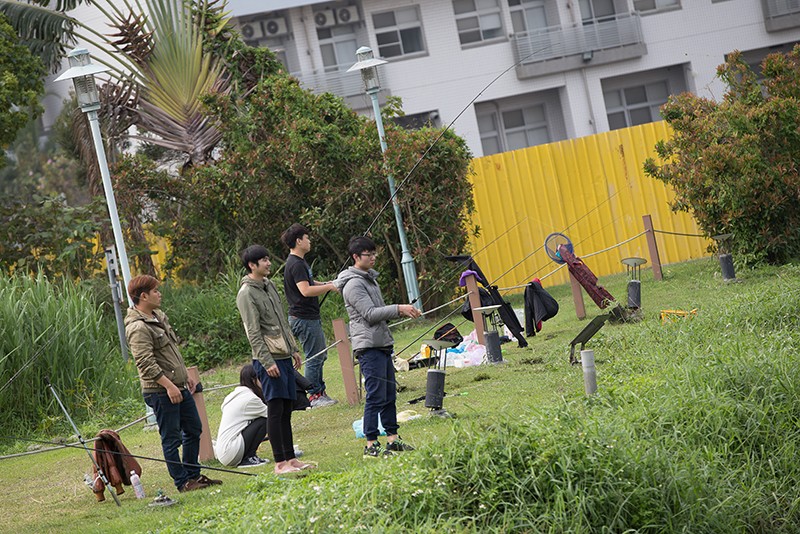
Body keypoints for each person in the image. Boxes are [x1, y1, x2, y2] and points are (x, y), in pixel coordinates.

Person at [124, 275, 222, 492]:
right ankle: (182, 482)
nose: (160, 294)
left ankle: (193, 475)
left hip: (178, 385)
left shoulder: (158, 316)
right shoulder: (138, 327)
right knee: (171, 438)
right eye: (156, 291)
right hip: (160, 390)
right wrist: (168, 385)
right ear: (143, 296)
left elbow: (171, 351)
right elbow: (145, 362)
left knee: (194, 428)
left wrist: (184, 374)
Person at [334, 236, 422, 458]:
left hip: (381, 343)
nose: (373, 258)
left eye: (374, 254)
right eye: (368, 255)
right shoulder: (353, 284)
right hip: (368, 346)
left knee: (389, 393)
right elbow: (370, 314)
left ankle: (393, 439)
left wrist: (400, 310)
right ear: (356, 257)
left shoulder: (370, 280)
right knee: (374, 395)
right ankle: (370, 444)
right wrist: (399, 308)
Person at [236, 245, 315, 474]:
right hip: (267, 358)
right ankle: (280, 463)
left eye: (268, 259)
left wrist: (293, 348)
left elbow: (281, 320)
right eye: (264, 260)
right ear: (252, 265)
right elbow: (253, 331)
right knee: (275, 408)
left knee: (288, 406)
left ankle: (291, 458)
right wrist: (267, 361)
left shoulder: (269, 286)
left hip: (284, 354)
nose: (269, 263)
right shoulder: (246, 293)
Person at [281, 223, 339, 408]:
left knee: (320, 355)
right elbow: (305, 290)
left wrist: (326, 282)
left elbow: (308, 282)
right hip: (304, 319)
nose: (309, 241)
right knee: (315, 356)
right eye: (307, 238)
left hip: (307, 317)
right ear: (299, 241)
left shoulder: (299, 262)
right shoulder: (296, 263)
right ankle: (314, 396)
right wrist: (329, 287)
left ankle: (319, 391)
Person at [214, 364, 269, 468]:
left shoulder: (234, 395)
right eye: (262, 378)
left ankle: (248, 456)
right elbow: (273, 415)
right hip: (231, 452)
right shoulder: (251, 399)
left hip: (223, 452)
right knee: (264, 421)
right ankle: (249, 457)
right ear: (254, 380)